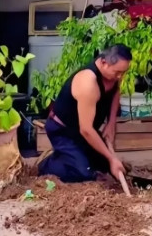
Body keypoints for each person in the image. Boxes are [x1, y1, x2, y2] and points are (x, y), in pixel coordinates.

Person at [38, 44, 131, 183]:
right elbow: (86, 130)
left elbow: (116, 91)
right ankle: (48, 164)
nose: (120, 77)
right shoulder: (88, 82)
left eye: (123, 73)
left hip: (83, 131)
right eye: (117, 72)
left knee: (103, 165)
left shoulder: (115, 74)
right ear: (104, 62)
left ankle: (73, 156)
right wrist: (112, 158)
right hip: (63, 131)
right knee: (83, 173)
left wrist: (111, 123)